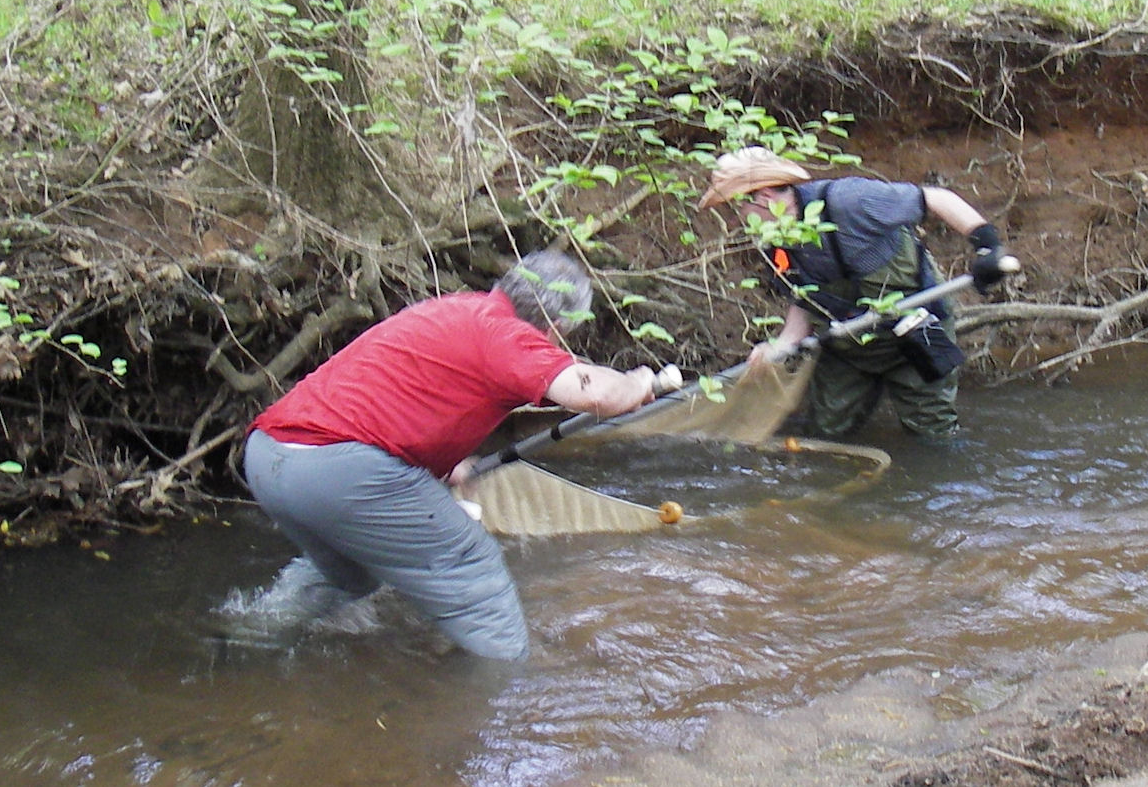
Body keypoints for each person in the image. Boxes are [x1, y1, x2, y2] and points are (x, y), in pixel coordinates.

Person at [243, 249, 658, 661]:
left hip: (270, 460)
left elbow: (396, 400)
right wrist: (635, 384)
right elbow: (595, 392)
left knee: (349, 575)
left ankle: (248, 635)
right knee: (471, 563)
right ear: (558, 323)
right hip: (336, 470)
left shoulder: (457, 310)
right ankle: (500, 694)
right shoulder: (507, 336)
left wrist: (442, 465)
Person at [698, 146, 1011, 440]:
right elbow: (804, 298)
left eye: (734, 208)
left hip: (918, 327)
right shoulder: (773, 239)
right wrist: (781, 345)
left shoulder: (851, 201)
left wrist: (988, 248)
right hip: (847, 345)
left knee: (932, 432)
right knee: (825, 431)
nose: (733, 221)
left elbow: (936, 199)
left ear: (764, 197)